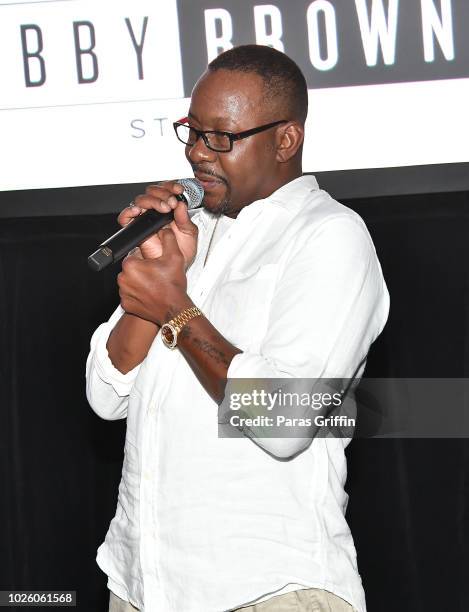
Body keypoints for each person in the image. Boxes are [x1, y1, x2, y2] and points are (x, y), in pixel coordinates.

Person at [86, 44, 389, 612]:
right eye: (192, 132)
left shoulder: (328, 236)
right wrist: (151, 286)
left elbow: (287, 420)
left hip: (267, 588)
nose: (199, 153)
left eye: (221, 137)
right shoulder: (186, 231)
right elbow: (105, 395)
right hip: (142, 586)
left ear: (285, 140)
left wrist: (176, 309)